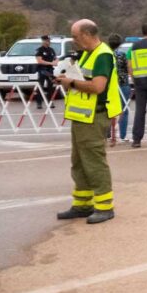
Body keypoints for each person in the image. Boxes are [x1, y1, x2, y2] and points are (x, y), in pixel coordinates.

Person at [54, 19, 121, 224]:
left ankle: (104, 206)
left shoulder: (102, 55)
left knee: (94, 162)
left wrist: (71, 82)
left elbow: (98, 87)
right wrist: (68, 80)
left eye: (75, 36)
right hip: (82, 116)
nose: (73, 41)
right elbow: (85, 81)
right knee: (80, 162)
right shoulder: (88, 55)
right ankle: (82, 204)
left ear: (86, 34)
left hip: (95, 115)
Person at [108, 33, 131, 144]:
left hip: (109, 85)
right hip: (122, 83)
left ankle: (108, 134)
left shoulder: (106, 55)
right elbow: (127, 69)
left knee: (108, 109)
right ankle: (122, 135)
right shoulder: (122, 55)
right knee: (123, 110)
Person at [34, 35, 58, 109]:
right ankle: (39, 103)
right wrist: (51, 63)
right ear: (43, 41)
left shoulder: (51, 50)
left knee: (50, 87)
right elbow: (39, 61)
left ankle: (50, 102)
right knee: (40, 86)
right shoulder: (39, 50)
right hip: (42, 70)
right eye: (47, 41)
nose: (49, 42)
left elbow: (56, 58)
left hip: (50, 70)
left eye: (49, 41)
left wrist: (56, 62)